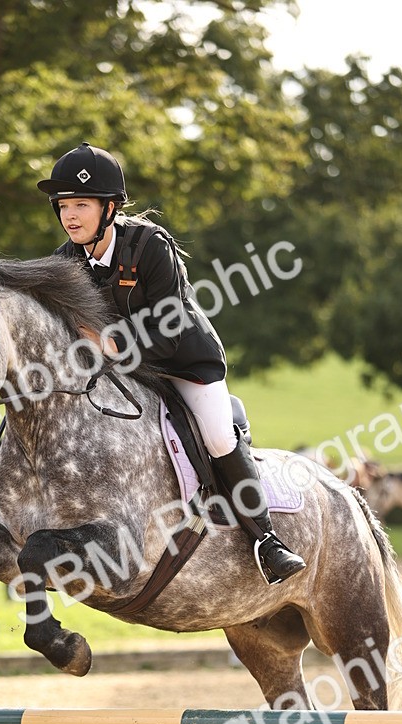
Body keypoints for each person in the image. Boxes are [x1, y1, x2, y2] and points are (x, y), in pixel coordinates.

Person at [37, 142, 305, 583]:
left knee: (218, 435)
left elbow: (170, 328)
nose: (70, 216)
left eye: (81, 204)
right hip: (122, 375)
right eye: (63, 205)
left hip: (183, 363)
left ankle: (267, 541)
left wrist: (110, 346)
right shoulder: (66, 261)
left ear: (109, 208)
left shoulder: (149, 246)